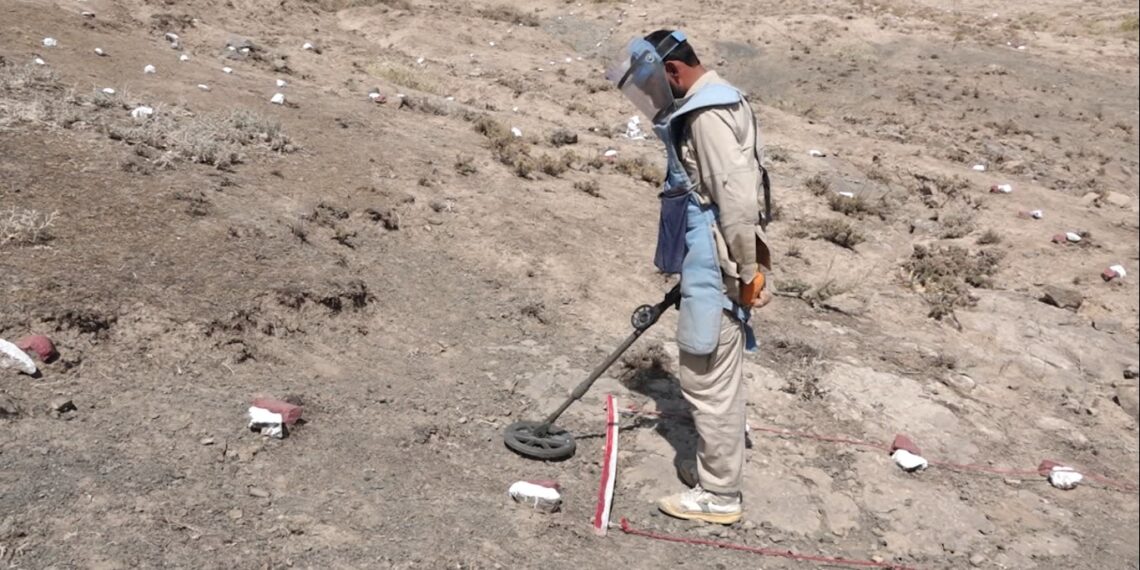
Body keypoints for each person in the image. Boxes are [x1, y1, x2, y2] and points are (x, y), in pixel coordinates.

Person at [606, 30, 771, 525]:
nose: (657, 95)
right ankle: (721, 472)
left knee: (706, 377)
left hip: (715, 267)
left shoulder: (704, 114)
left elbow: (737, 201)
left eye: (657, 84)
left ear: (674, 72)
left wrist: (746, 270)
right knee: (716, 371)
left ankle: (719, 495)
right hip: (714, 260)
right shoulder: (725, 98)